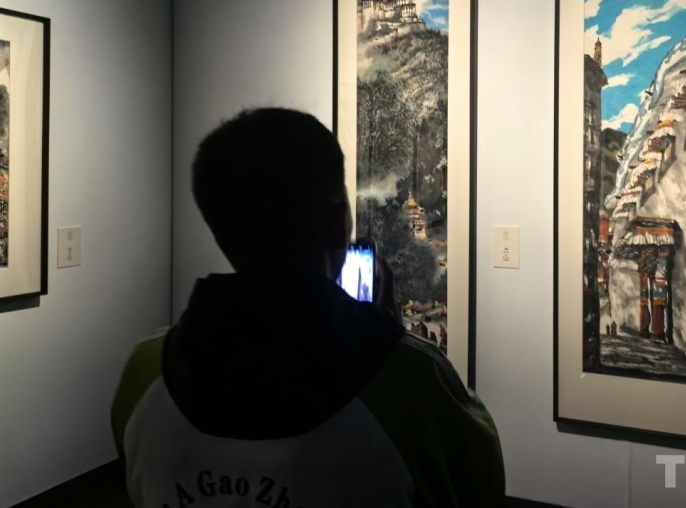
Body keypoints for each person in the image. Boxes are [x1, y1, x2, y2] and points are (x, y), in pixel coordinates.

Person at [111, 108, 505, 508]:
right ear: (336, 222)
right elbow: (477, 486)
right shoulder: (414, 384)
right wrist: (388, 340)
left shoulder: (144, 373)